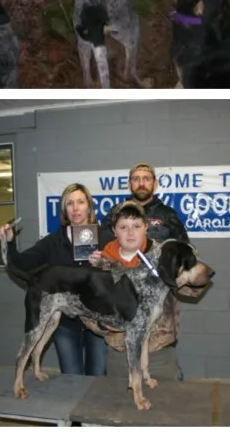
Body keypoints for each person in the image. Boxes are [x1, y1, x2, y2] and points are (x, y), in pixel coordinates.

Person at [0, 183, 109, 377]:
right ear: (64, 209)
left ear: (89, 206)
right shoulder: (52, 241)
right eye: (70, 203)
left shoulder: (106, 237)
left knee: (97, 379)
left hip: (97, 322)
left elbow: (122, 273)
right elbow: (21, 263)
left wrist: (106, 263)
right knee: (71, 378)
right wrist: (9, 242)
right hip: (65, 323)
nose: (75, 208)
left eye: (80, 202)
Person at [97, 164, 190, 385]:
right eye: (136, 178)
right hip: (120, 342)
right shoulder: (114, 213)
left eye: (146, 178)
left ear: (154, 183)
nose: (141, 183)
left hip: (159, 340)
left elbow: (185, 255)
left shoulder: (168, 215)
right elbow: (100, 254)